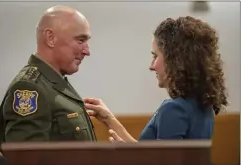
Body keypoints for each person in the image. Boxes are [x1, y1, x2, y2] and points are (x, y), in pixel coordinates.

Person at [84, 16, 228, 143]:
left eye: (155, 56)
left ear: (175, 60)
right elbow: (154, 155)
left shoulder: (174, 108)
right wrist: (108, 119)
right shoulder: (203, 105)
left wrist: (128, 158)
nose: (151, 66)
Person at [0, 5, 97, 150]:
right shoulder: (30, 87)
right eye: (80, 40)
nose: (87, 51)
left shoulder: (53, 83)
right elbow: (26, 159)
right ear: (50, 38)